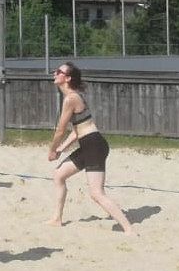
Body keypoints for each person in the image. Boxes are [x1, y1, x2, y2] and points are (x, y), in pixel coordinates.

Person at [47, 61, 134, 233]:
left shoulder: (71, 98)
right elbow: (76, 131)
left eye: (59, 71)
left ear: (68, 78)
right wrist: (61, 149)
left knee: (96, 193)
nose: (55, 73)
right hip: (89, 144)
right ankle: (57, 219)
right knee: (59, 176)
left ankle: (128, 229)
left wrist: (52, 149)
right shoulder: (73, 97)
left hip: (94, 146)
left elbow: (60, 130)